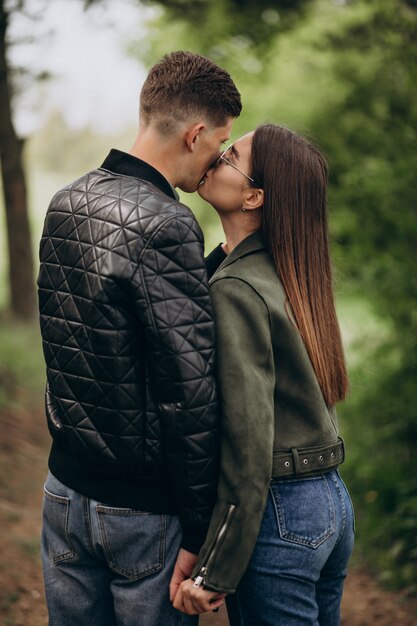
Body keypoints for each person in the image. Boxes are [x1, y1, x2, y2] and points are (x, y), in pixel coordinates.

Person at [37, 50, 241, 626]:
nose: (214, 165)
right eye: (219, 147)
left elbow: (105, 322)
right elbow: (189, 393)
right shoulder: (168, 221)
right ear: (196, 133)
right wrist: (201, 529)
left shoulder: (67, 202)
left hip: (63, 493)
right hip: (139, 515)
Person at [173, 124, 355, 625]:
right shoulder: (291, 273)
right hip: (330, 503)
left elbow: (248, 447)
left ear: (254, 196)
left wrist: (214, 570)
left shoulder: (237, 291)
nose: (215, 157)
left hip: (281, 514)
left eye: (230, 155)